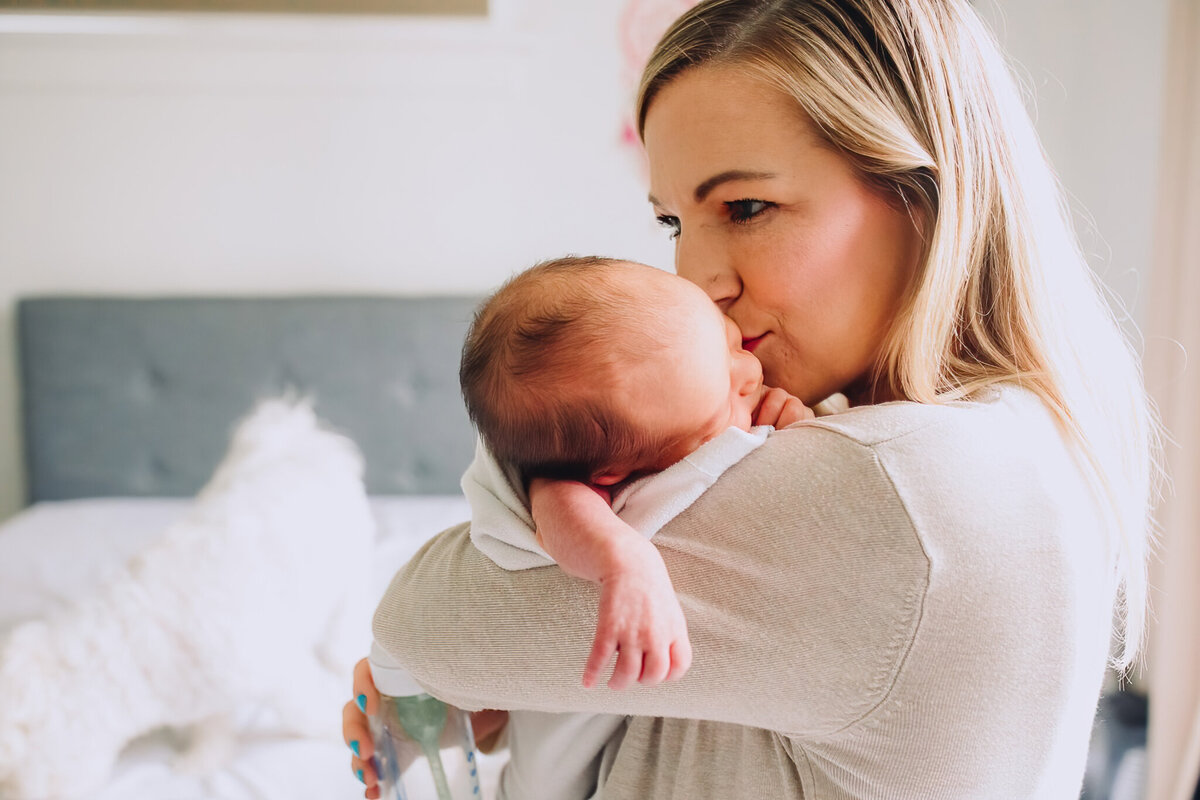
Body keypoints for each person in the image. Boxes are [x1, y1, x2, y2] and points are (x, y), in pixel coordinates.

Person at [345, 1, 1159, 797]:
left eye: (746, 207)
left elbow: (419, 621)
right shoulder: (1008, 442)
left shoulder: (895, 483)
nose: (696, 282)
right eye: (673, 222)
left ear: (924, 199)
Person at [454, 254, 815, 799]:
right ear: (612, 474)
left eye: (731, 342)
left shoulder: (683, 396)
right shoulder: (571, 485)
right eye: (728, 397)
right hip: (565, 708)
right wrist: (626, 562)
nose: (751, 373)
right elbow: (560, 513)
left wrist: (791, 430)